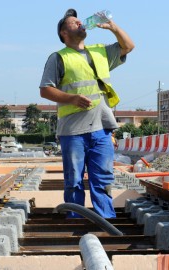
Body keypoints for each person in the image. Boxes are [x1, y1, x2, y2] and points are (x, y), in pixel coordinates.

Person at [39, 8, 134, 218]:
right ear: (64, 33)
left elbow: (129, 46)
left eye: (80, 20)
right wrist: (72, 98)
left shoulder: (100, 52)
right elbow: (45, 89)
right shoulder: (58, 58)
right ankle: (75, 221)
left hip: (102, 128)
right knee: (73, 180)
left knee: (103, 179)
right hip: (73, 131)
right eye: (74, 22)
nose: (80, 23)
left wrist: (113, 27)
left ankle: (105, 221)